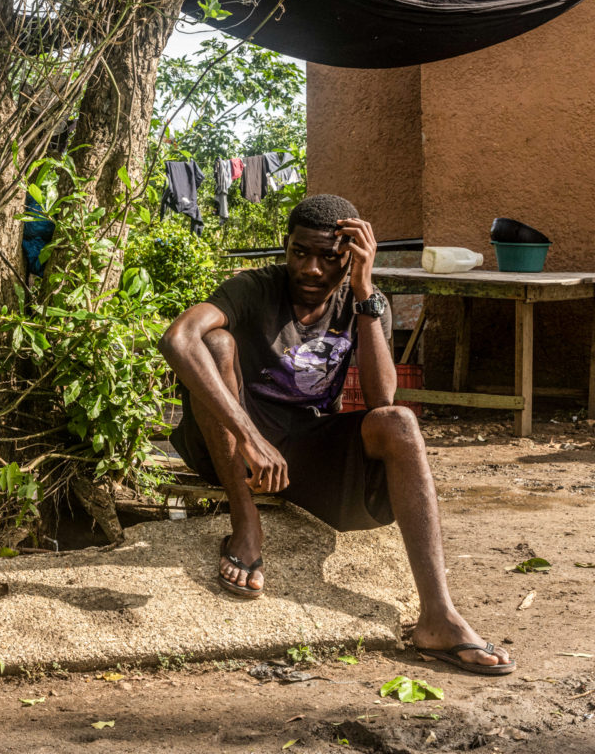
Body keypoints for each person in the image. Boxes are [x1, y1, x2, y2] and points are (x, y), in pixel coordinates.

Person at [158, 194, 515, 676]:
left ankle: (438, 615)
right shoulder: (253, 288)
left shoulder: (365, 302)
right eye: (299, 252)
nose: (311, 268)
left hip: (303, 447)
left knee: (400, 423)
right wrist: (247, 434)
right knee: (215, 341)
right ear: (284, 248)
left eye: (330, 258)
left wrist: (366, 292)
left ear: (350, 257)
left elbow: (381, 397)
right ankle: (246, 525)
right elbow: (178, 337)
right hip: (227, 440)